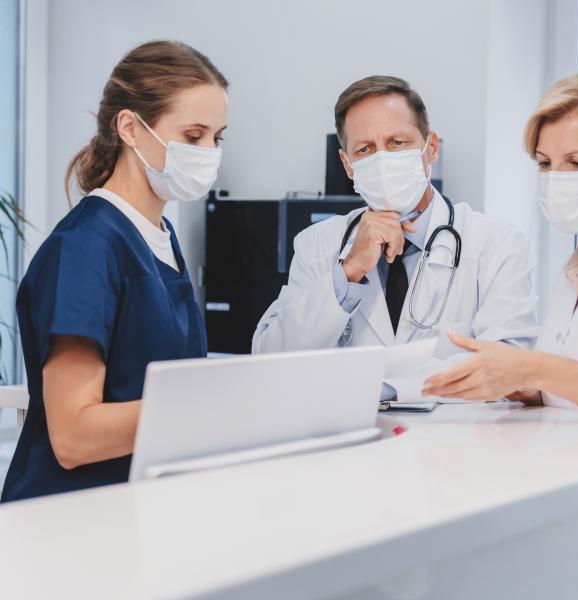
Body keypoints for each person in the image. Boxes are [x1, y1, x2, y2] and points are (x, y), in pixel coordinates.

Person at [1, 40, 228, 501]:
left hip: (135, 506)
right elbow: (73, 435)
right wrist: (214, 411)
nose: (208, 152)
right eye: (193, 135)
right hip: (68, 517)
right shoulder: (87, 245)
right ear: (130, 127)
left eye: (217, 138)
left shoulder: (156, 236)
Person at [252, 76, 538, 353]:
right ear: (347, 165)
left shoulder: (497, 245)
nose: (382, 159)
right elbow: (269, 356)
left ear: (432, 148)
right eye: (365, 149)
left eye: (397, 143)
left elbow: (512, 370)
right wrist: (347, 272)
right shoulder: (317, 245)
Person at [423, 73, 578, 410]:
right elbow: (577, 387)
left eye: (577, 163)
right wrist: (526, 385)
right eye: (545, 163)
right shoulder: (577, 273)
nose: (556, 180)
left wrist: (532, 369)